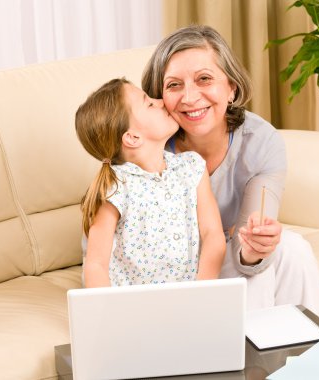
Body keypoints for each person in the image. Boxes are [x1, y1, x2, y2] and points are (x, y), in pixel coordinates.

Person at [142, 25, 319, 318]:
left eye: (204, 79)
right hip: (167, 271)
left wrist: (254, 248)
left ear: (231, 87)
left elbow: (247, 250)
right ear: (159, 96)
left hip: (224, 259)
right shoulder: (144, 144)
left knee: (292, 249)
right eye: (174, 85)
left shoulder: (260, 142)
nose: (189, 97)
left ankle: (312, 356)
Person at [75, 78, 226, 288]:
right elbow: (96, 264)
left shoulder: (192, 168)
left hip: (188, 298)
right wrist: (107, 314)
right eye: (149, 103)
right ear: (133, 138)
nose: (161, 101)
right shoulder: (115, 187)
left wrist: (203, 290)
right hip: (132, 308)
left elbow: (213, 235)